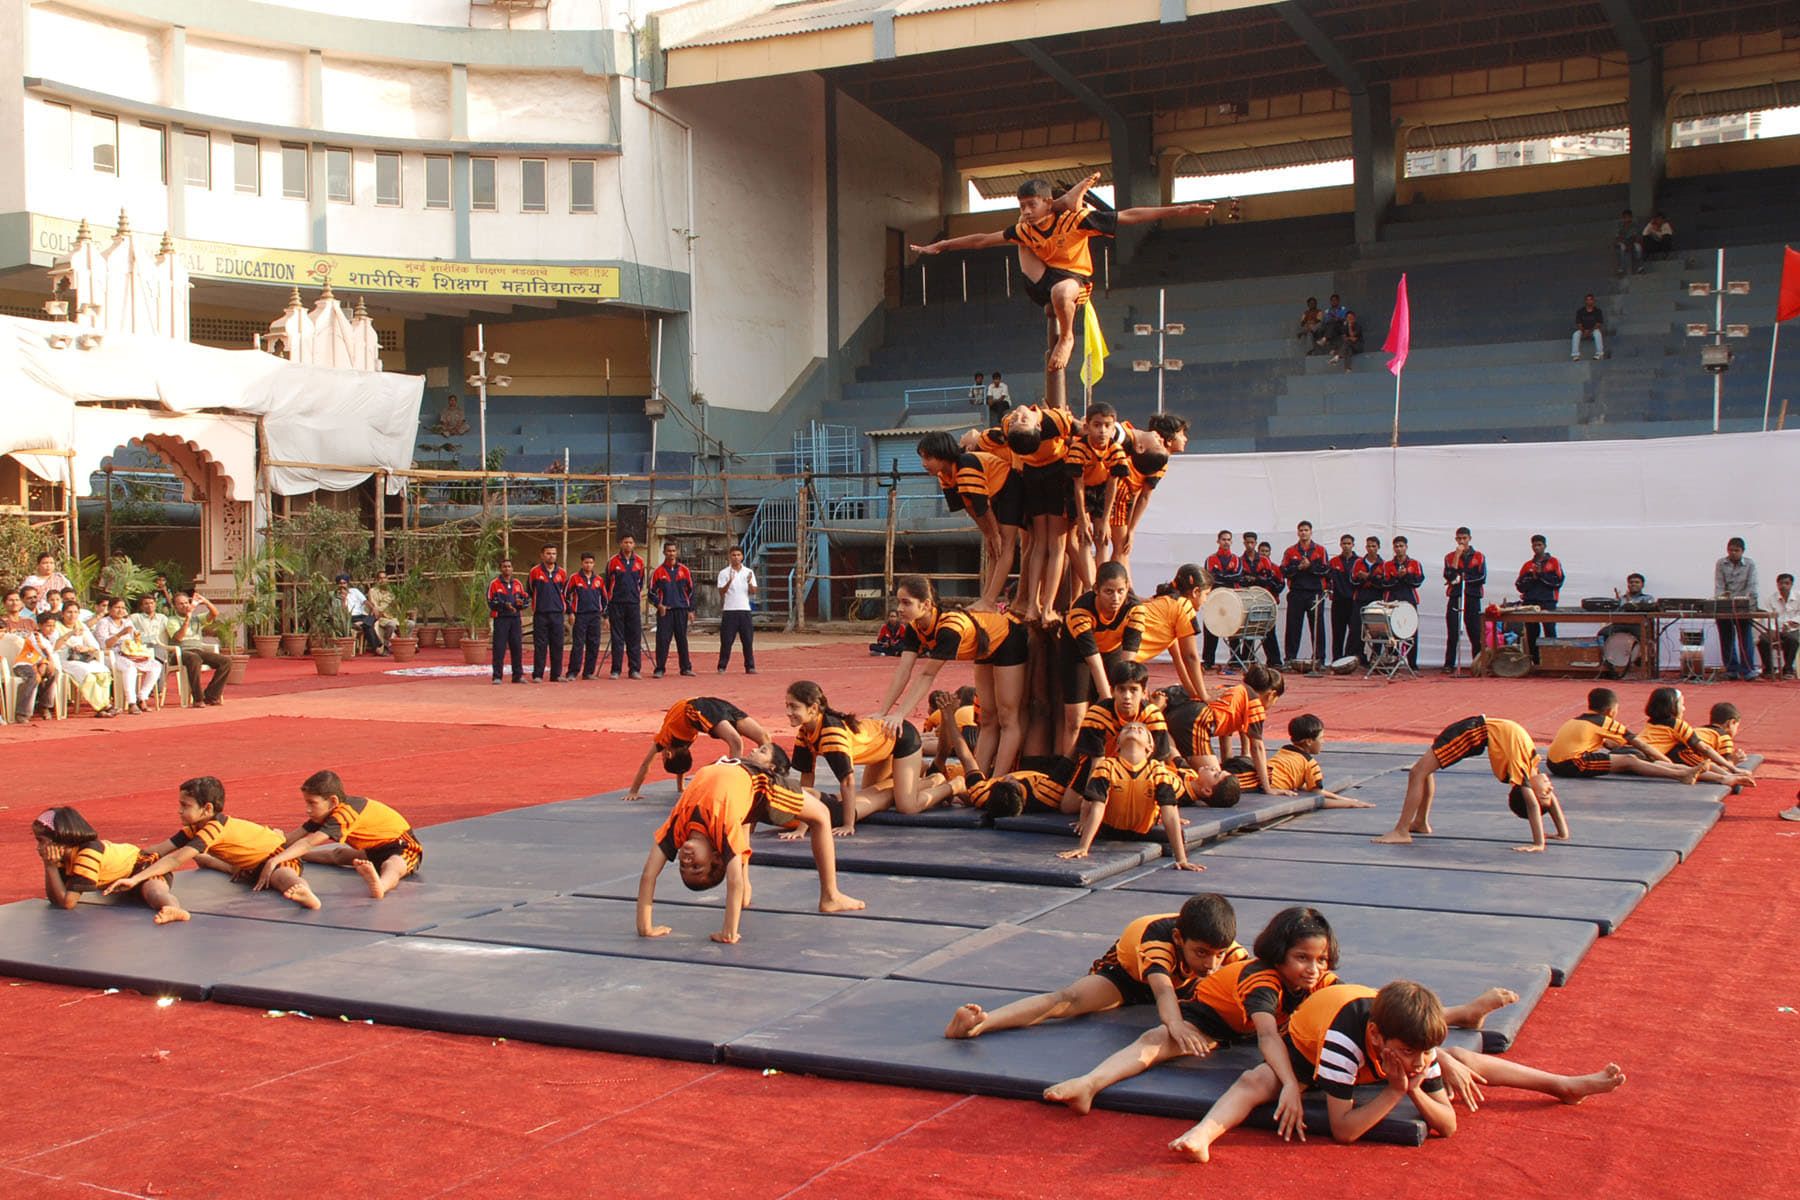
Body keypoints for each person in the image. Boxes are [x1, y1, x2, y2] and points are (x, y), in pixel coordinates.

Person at [1167, 980, 1623, 1162]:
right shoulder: (1343, 1043)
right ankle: (1203, 1134)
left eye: (1426, 1051)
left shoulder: (1419, 1050)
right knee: (1258, 1080)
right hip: (1309, 1039)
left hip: (1378, 1024)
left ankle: (1560, 1084)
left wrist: (1417, 1085)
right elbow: (1344, 1132)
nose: (1420, 1060)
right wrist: (1391, 1092)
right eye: (1412, 1051)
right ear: (1380, 1040)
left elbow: (1448, 1125)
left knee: (1461, 1060)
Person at [911, 178, 1213, 410]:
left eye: (1032, 205)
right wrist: (939, 246)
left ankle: (1067, 336)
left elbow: (1129, 215)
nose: (1026, 211)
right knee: (1019, 235)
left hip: (1073, 282)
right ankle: (1068, 199)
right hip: (1040, 280)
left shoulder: (1076, 220)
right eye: (1022, 206)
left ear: (1046, 203)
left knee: (1061, 288)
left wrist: (1179, 210)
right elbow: (980, 240)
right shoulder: (1025, 225)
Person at [1044, 906, 1344, 1118]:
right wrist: (1291, 1083)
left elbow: (1350, 1010)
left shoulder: (1322, 980)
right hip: (1213, 1016)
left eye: (1322, 959)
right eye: (1303, 958)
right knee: (1155, 1040)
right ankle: (1090, 1083)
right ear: (1279, 956)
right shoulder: (1262, 980)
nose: (1313, 969)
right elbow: (1266, 1036)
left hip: (1256, 1025)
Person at [946, 893, 1244, 1040]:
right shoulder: (1158, 940)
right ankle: (979, 1024)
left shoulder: (1220, 948)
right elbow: (1164, 992)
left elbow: (1259, 975)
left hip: (1183, 981)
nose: (1211, 963)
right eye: (1202, 953)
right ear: (1179, 939)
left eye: (1218, 955)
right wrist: (1176, 1025)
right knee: (1067, 1001)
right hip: (1126, 978)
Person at [635, 755, 864, 944]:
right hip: (759, 786)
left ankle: (827, 895)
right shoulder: (723, 829)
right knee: (822, 815)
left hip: (739, 775)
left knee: (741, 818)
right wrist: (729, 932)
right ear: (717, 856)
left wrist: (645, 927)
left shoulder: (677, 827)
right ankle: (830, 896)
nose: (686, 861)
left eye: (684, 868)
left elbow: (649, 875)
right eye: (696, 867)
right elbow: (733, 881)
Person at [873, 574, 1029, 780]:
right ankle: (978, 777)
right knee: (988, 718)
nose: (899, 608)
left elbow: (927, 675)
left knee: (1008, 716)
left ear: (926, 604)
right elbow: (904, 670)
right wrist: (884, 711)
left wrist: (900, 714)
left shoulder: (949, 628)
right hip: (984, 648)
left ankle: (997, 780)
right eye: (898, 602)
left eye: (906, 603)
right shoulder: (914, 627)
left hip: (1007, 639)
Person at [107, 775, 320, 910]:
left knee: (283, 876)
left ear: (207, 809)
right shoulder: (194, 828)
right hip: (251, 865)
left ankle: (304, 892)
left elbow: (175, 859)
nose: (179, 811)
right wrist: (122, 859)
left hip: (275, 855)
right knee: (201, 857)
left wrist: (136, 879)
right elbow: (160, 849)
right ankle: (235, 868)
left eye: (185, 806)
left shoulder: (214, 828)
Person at [1373, 716, 1566, 851]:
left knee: (1418, 773)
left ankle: (1401, 831)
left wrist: (1538, 843)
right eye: (1550, 792)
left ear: (1530, 792)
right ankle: (1420, 822)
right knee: (1423, 771)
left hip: (1472, 733)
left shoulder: (1520, 771)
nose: (1551, 787)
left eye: (1545, 793)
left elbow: (1532, 804)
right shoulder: (1531, 766)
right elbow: (1546, 802)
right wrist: (1561, 832)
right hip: (1473, 730)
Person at [258, 769, 423, 900]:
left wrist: (275, 860)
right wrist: (274, 844)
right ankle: (303, 857)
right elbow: (296, 836)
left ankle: (381, 886)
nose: (307, 809)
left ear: (333, 801)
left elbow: (309, 842)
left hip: (402, 847)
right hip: (374, 850)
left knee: (392, 866)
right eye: (306, 802)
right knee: (338, 854)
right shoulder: (326, 812)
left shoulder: (345, 814)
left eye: (312, 803)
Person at [788, 679, 926, 833]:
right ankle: (913, 780)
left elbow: (848, 782)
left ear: (813, 708)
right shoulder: (804, 733)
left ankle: (947, 784)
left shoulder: (831, 733)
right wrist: (802, 826)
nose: (788, 712)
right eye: (787, 706)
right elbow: (807, 779)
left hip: (902, 739)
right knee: (869, 792)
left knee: (907, 807)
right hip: (879, 750)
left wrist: (848, 825)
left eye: (794, 707)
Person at [1058, 722, 1199, 868]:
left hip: (1144, 828)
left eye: (1140, 730)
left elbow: (1170, 814)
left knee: (1170, 808)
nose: (1133, 728)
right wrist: (1083, 846)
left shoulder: (1158, 771)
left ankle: (1159, 816)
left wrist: (1181, 858)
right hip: (1110, 829)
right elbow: (1097, 807)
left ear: (1149, 748)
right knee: (1090, 801)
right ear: (1117, 746)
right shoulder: (1107, 766)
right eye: (1127, 729)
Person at [918, 430, 1023, 612]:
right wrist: (989, 534)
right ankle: (987, 598)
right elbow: (969, 507)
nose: (924, 464)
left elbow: (982, 505)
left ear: (942, 455)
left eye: (928, 458)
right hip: (993, 496)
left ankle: (990, 600)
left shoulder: (966, 466)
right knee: (993, 549)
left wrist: (995, 533)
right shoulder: (945, 476)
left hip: (1009, 488)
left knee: (1005, 544)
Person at [34, 805, 187, 924]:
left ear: (60, 838)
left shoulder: (88, 853)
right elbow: (54, 898)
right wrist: (50, 866)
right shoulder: (64, 858)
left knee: (154, 893)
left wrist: (50, 867)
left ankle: (173, 908)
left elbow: (68, 903)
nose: (38, 847)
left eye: (41, 841)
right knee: (143, 894)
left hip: (143, 868)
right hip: (121, 883)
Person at [1058, 561, 1143, 755]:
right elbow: (1094, 662)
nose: (1116, 598)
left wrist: (1120, 699)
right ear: (1096, 589)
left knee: (1119, 708)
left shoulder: (1135, 609)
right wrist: (1109, 701)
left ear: (1127, 588)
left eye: (1121, 591)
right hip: (1078, 654)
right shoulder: (1081, 609)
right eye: (1109, 591)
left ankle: (1112, 762)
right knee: (1076, 718)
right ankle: (1068, 772)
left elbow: (1128, 662)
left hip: (1112, 650)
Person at [623, 696, 773, 801]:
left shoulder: (665, 737)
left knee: (745, 740)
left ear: (668, 754)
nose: (661, 754)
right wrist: (680, 788)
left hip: (697, 707)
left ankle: (754, 782)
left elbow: (646, 764)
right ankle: (743, 784)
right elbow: (680, 761)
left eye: (662, 756)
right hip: (709, 706)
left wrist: (633, 791)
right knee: (760, 738)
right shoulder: (682, 743)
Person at [1546, 688, 1702, 783]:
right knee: (1629, 760)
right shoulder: (1605, 722)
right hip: (1571, 764)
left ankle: (1682, 772)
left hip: (1553, 762)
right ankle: (1680, 774)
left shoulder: (1577, 720)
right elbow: (1640, 744)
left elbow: (1610, 743)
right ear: (1611, 711)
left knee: (1627, 758)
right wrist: (1667, 762)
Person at [1225, 714, 1377, 808]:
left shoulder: (1286, 749)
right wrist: (1348, 802)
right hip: (1254, 778)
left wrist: (1344, 798)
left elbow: (1304, 786)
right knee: (1222, 785)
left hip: (1252, 770)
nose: (1323, 742)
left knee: (1219, 777)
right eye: (1321, 738)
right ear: (1309, 742)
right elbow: (1318, 797)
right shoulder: (1310, 764)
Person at [1177, 665, 1284, 791]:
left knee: (1201, 771)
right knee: (1219, 784)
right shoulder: (1255, 702)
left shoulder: (1232, 689)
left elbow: (1226, 733)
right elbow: (1257, 747)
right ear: (1272, 694)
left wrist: (1226, 764)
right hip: (1195, 723)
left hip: (1182, 716)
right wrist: (1268, 787)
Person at [1108, 414, 1188, 570]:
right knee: (1121, 548)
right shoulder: (1157, 456)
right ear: (1169, 440)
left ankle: (1125, 588)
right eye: (1181, 434)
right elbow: (1144, 496)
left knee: (1122, 549)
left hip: (1125, 496)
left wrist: (1131, 528)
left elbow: (1140, 494)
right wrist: (1131, 530)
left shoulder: (1154, 452)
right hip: (1121, 494)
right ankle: (1118, 586)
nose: (1185, 439)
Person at [1637, 687, 1756, 787]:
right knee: (1695, 766)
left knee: (1683, 764)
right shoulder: (1678, 725)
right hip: (1652, 755)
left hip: (1642, 752)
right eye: (1682, 704)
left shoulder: (1651, 722)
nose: (1684, 708)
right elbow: (1705, 749)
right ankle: (1723, 778)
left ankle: (1726, 777)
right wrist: (1732, 767)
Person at [1066, 403, 1129, 590]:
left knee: (1102, 537)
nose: (1102, 431)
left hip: (1102, 490)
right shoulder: (1079, 449)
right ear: (1087, 426)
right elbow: (1077, 484)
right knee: (1084, 536)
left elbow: (1112, 484)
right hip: (1082, 491)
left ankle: (1104, 583)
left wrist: (1107, 518)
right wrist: (1082, 517)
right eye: (1097, 425)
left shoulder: (1115, 449)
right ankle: (1090, 585)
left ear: (1113, 427)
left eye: (1107, 426)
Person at [1134, 563, 1212, 702]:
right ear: (1195, 592)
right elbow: (1191, 657)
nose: (1205, 600)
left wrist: (1195, 695)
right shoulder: (1184, 606)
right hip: (1117, 655)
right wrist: (1205, 696)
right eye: (1206, 594)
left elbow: (1179, 659)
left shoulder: (1163, 601)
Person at [95, 596, 158, 714]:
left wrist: (137, 638)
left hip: (129, 653)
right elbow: (104, 645)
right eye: (117, 607)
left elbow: (135, 639)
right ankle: (131, 702)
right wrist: (120, 634)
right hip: (111, 655)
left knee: (155, 665)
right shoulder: (104, 622)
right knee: (130, 667)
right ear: (110, 609)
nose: (120, 610)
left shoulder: (127, 622)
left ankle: (142, 697)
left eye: (122, 608)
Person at [1280, 521, 1330, 666]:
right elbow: (1284, 571)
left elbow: (1326, 570)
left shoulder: (1320, 550)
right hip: (1296, 593)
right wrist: (1298, 567)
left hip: (1315, 594)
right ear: (1297, 533)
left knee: (1317, 628)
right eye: (1301, 530)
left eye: (1306, 530)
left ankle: (1319, 659)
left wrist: (1310, 567)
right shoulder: (1290, 551)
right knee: (1293, 627)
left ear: (1311, 532)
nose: (1303, 533)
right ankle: (1290, 658)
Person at [166, 592, 229, 706]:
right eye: (180, 604)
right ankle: (198, 699)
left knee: (225, 661)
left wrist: (205, 602)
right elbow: (179, 637)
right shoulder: (172, 620)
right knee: (194, 658)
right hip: (180, 653)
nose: (184, 606)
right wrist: (187, 619)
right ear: (175, 607)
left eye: (186, 603)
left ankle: (211, 696)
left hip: (197, 650)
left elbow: (215, 613)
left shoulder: (197, 619)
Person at [53, 601, 114, 717]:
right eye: (69, 612)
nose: (72, 615)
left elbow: (95, 646)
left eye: (75, 612)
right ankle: (102, 707)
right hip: (64, 660)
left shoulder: (81, 625)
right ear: (62, 614)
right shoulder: (56, 626)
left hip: (81, 658)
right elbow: (54, 647)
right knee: (88, 675)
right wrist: (70, 634)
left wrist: (85, 649)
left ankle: (105, 704)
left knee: (104, 672)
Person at [1514, 534, 1565, 665]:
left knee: (1550, 629)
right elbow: (1520, 586)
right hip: (1530, 602)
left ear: (1545, 546)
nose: (1537, 548)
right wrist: (1533, 577)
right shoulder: (1527, 565)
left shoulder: (1554, 562)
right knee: (1532, 632)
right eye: (1535, 545)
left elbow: (1558, 582)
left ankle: (1553, 661)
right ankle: (1535, 662)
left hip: (1548, 601)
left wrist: (1541, 574)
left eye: (1539, 545)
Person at [1713, 536, 1759, 680]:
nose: (1733, 553)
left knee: (1745, 638)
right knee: (1726, 637)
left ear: (1742, 551)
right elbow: (1719, 585)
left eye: (1736, 550)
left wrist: (1743, 601)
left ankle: (1748, 670)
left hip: (1744, 606)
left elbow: (1752, 586)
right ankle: (1731, 669)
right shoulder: (1721, 563)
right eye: (1730, 550)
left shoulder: (1750, 564)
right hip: (1725, 605)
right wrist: (1721, 601)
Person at [1442, 527, 1486, 673]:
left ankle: (1478, 663)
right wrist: (1457, 557)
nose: (1462, 541)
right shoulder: (1449, 557)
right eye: (1459, 539)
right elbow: (1449, 576)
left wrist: (1463, 579)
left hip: (1472, 596)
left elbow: (1481, 577)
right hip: (1456, 596)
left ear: (1469, 539)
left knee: (1475, 631)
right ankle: (1449, 664)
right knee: (1453, 631)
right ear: (1456, 539)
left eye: (1464, 538)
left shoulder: (1479, 556)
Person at [1377, 536, 1424, 669]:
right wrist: (1398, 577)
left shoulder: (1414, 563)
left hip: (1409, 600)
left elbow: (1418, 581)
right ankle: (1392, 660)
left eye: (1401, 546)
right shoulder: (1387, 564)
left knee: (1411, 631)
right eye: (1396, 546)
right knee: (1391, 631)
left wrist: (1406, 576)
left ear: (1406, 547)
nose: (1399, 549)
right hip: (1392, 601)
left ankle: (1412, 663)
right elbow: (1384, 584)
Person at [650, 541, 695, 678]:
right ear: (664, 553)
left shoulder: (685, 570)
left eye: (673, 551)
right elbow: (652, 592)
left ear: (677, 552)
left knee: (682, 639)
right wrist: (659, 605)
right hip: (665, 611)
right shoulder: (658, 572)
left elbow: (691, 591)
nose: (671, 553)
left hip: (681, 609)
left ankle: (686, 668)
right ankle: (660, 669)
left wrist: (691, 610)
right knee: (663, 640)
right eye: (668, 551)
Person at [605, 535, 647, 680]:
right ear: (621, 544)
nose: (628, 545)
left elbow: (641, 582)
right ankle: (616, 670)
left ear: (634, 544)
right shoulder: (613, 561)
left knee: (634, 637)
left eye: (630, 542)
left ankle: (634, 669)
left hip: (633, 604)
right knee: (617, 638)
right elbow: (607, 583)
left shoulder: (640, 562)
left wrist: (635, 595)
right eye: (625, 542)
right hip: (616, 604)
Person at [564, 551, 609, 681]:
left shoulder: (599, 580)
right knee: (578, 644)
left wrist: (605, 616)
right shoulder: (574, 578)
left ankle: (588, 672)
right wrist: (571, 612)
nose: (588, 565)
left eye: (591, 563)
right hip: (580, 616)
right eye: (586, 562)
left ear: (594, 564)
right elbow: (566, 596)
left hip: (595, 616)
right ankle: (572, 672)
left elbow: (605, 599)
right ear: (581, 563)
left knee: (593, 644)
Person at [1201, 530, 1242, 670]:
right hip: (1215, 599)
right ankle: (1208, 660)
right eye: (1223, 539)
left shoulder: (1236, 559)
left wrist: (1220, 576)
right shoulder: (1210, 559)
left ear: (1231, 542)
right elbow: (1210, 577)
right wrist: (1226, 576)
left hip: (1231, 599)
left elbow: (1238, 576)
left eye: (1228, 539)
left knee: (1234, 627)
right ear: (1218, 541)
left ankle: (1235, 660)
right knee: (1211, 627)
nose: (1226, 542)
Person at [527, 544, 568, 683]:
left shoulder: (561, 572)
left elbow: (565, 592)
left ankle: (556, 675)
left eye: (554, 553)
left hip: (557, 614)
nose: (551, 556)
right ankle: (538, 675)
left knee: (557, 645)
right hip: (541, 614)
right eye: (548, 553)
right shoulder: (534, 572)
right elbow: (530, 590)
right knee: (540, 645)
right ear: (542, 555)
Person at [10, 613, 60, 722]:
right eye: (48, 626)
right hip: (25, 664)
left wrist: (44, 664)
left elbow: (48, 655)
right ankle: (22, 713)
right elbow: (42, 651)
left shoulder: (50, 638)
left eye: (53, 626)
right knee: (34, 677)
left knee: (54, 673)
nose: (51, 629)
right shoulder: (35, 636)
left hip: (39, 664)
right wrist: (48, 662)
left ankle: (44, 706)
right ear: (39, 626)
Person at [716, 546, 758, 674]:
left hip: (744, 610)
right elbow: (721, 591)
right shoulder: (724, 573)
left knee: (747, 640)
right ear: (730, 556)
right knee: (727, 641)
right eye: (733, 555)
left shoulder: (748, 572)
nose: (736, 557)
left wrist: (750, 582)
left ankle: (750, 666)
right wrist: (729, 581)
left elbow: (753, 591)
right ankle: (722, 666)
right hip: (730, 610)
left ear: (742, 556)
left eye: (738, 555)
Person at [487, 558, 527, 684]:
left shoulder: (518, 584)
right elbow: (490, 601)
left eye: (509, 566)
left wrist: (521, 604)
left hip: (515, 619)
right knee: (499, 648)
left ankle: (517, 676)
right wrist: (505, 605)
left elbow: (525, 600)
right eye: (504, 566)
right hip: (501, 619)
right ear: (500, 569)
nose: (507, 569)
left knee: (517, 647)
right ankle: (497, 676)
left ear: (512, 569)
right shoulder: (494, 584)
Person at [1351, 536, 1385, 665]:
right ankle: (1359, 656)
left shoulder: (1383, 564)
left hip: (1377, 600)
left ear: (1378, 547)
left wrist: (1368, 577)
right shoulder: (1358, 562)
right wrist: (1366, 579)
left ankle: (1375, 657)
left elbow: (1384, 583)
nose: (1371, 549)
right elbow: (1352, 581)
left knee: (1378, 630)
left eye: (1374, 546)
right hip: (1360, 599)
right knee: (1357, 629)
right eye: (1369, 546)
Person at [1757, 572, 1798, 679]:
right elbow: (1767, 616)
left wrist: (1792, 622)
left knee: (1792, 639)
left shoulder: (1798, 597)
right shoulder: (1770, 599)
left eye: (1787, 583)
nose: (1783, 586)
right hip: (1774, 629)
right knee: (1763, 640)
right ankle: (1769, 670)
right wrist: (1773, 630)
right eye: (1781, 583)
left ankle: (1788, 670)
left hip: (1792, 629)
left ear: (1791, 584)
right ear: (1777, 585)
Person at [1324, 535, 1359, 661]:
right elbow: (1326, 578)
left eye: (1349, 543)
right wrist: (1328, 589)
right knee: (1338, 633)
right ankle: (1337, 660)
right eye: (1344, 543)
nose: (1346, 546)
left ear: (1353, 545)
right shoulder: (1333, 561)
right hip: (1338, 602)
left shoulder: (1358, 561)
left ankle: (1349, 658)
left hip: (1354, 601)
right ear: (1340, 545)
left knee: (1354, 632)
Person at [335, 573, 384, 656]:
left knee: (374, 616)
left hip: (360, 617)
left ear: (347, 583)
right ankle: (377, 648)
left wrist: (373, 608)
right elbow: (342, 612)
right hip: (348, 618)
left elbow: (365, 601)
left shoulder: (355, 591)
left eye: (344, 583)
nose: (342, 585)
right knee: (368, 626)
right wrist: (344, 599)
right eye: (340, 583)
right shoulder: (335, 595)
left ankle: (362, 623)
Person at [367, 570, 400, 651]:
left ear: (387, 579)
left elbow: (396, 607)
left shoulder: (391, 591)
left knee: (410, 624)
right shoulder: (372, 591)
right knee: (391, 625)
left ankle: (407, 645)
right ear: (377, 580)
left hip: (392, 616)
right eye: (380, 578)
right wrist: (386, 606)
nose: (382, 580)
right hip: (380, 617)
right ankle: (385, 645)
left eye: (384, 578)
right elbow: (375, 608)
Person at [1572, 293, 1606, 360]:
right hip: (1583, 330)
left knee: (1598, 333)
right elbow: (1579, 323)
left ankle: (1599, 354)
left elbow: (1598, 323)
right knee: (1575, 334)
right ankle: (1575, 355)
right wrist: (1584, 331)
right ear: (1585, 301)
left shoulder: (1597, 311)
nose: (1589, 301)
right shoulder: (1580, 311)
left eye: (1590, 300)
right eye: (1587, 300)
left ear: (1593, 301)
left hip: (1593, 330)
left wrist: (1590, 331)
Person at [1614, 208, 1643, 275]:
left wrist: (1630, 244)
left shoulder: (1635, 225)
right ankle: (1620, 270)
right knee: (1622, 248)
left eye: (1628, 217)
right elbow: (1618, 237)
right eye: (1625, 217)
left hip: (1632, 242)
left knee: (1638, 248)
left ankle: (1640, 268)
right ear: (1623, 218)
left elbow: (1635, 237)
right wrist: (1623, 242)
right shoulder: (1620, 225)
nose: (1627, 218)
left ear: (1631, 217)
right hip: (1623, 242)